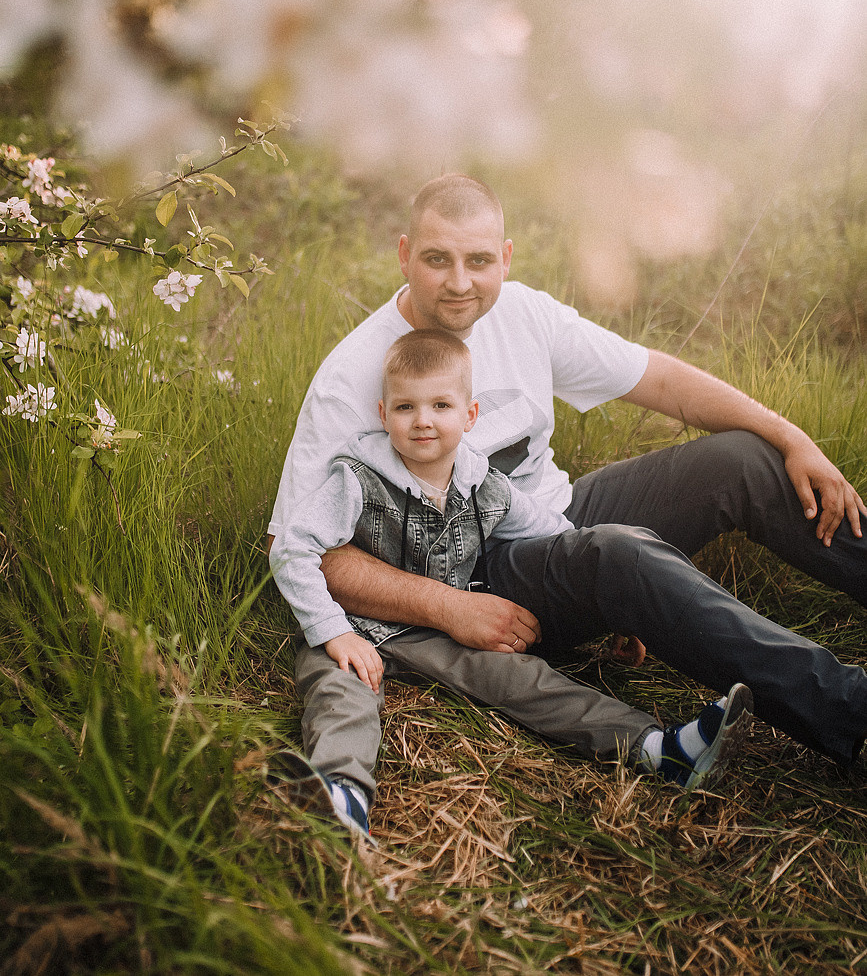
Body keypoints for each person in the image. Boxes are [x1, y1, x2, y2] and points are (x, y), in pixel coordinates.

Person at [268, 174, 867, 770]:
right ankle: (849, 710)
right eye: (435, 259)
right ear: (403, 255)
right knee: (621, 557)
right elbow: (297, 544)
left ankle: (638, 579)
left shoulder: (524, 314)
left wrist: (793, 438)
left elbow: (658, 378)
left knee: (744, 458)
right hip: (472, 574)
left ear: (504, 258)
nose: (459, 282)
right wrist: (447, 607)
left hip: (552, 519)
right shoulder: (352, 376)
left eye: (478, 260)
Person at [268, 329, 754, 837]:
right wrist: (330, 630)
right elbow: (292, 547)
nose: (423, 420)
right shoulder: (356, 480)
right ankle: (341, 798)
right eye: (406, 407)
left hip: (440, 631)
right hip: (351, 628)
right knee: (339, 691)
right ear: (383, 414)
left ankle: (659, 750)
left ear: (470, 415)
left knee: (524, 680)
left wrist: (615, 607)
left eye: (440, 404)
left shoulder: (481, 483)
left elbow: (555, 531)